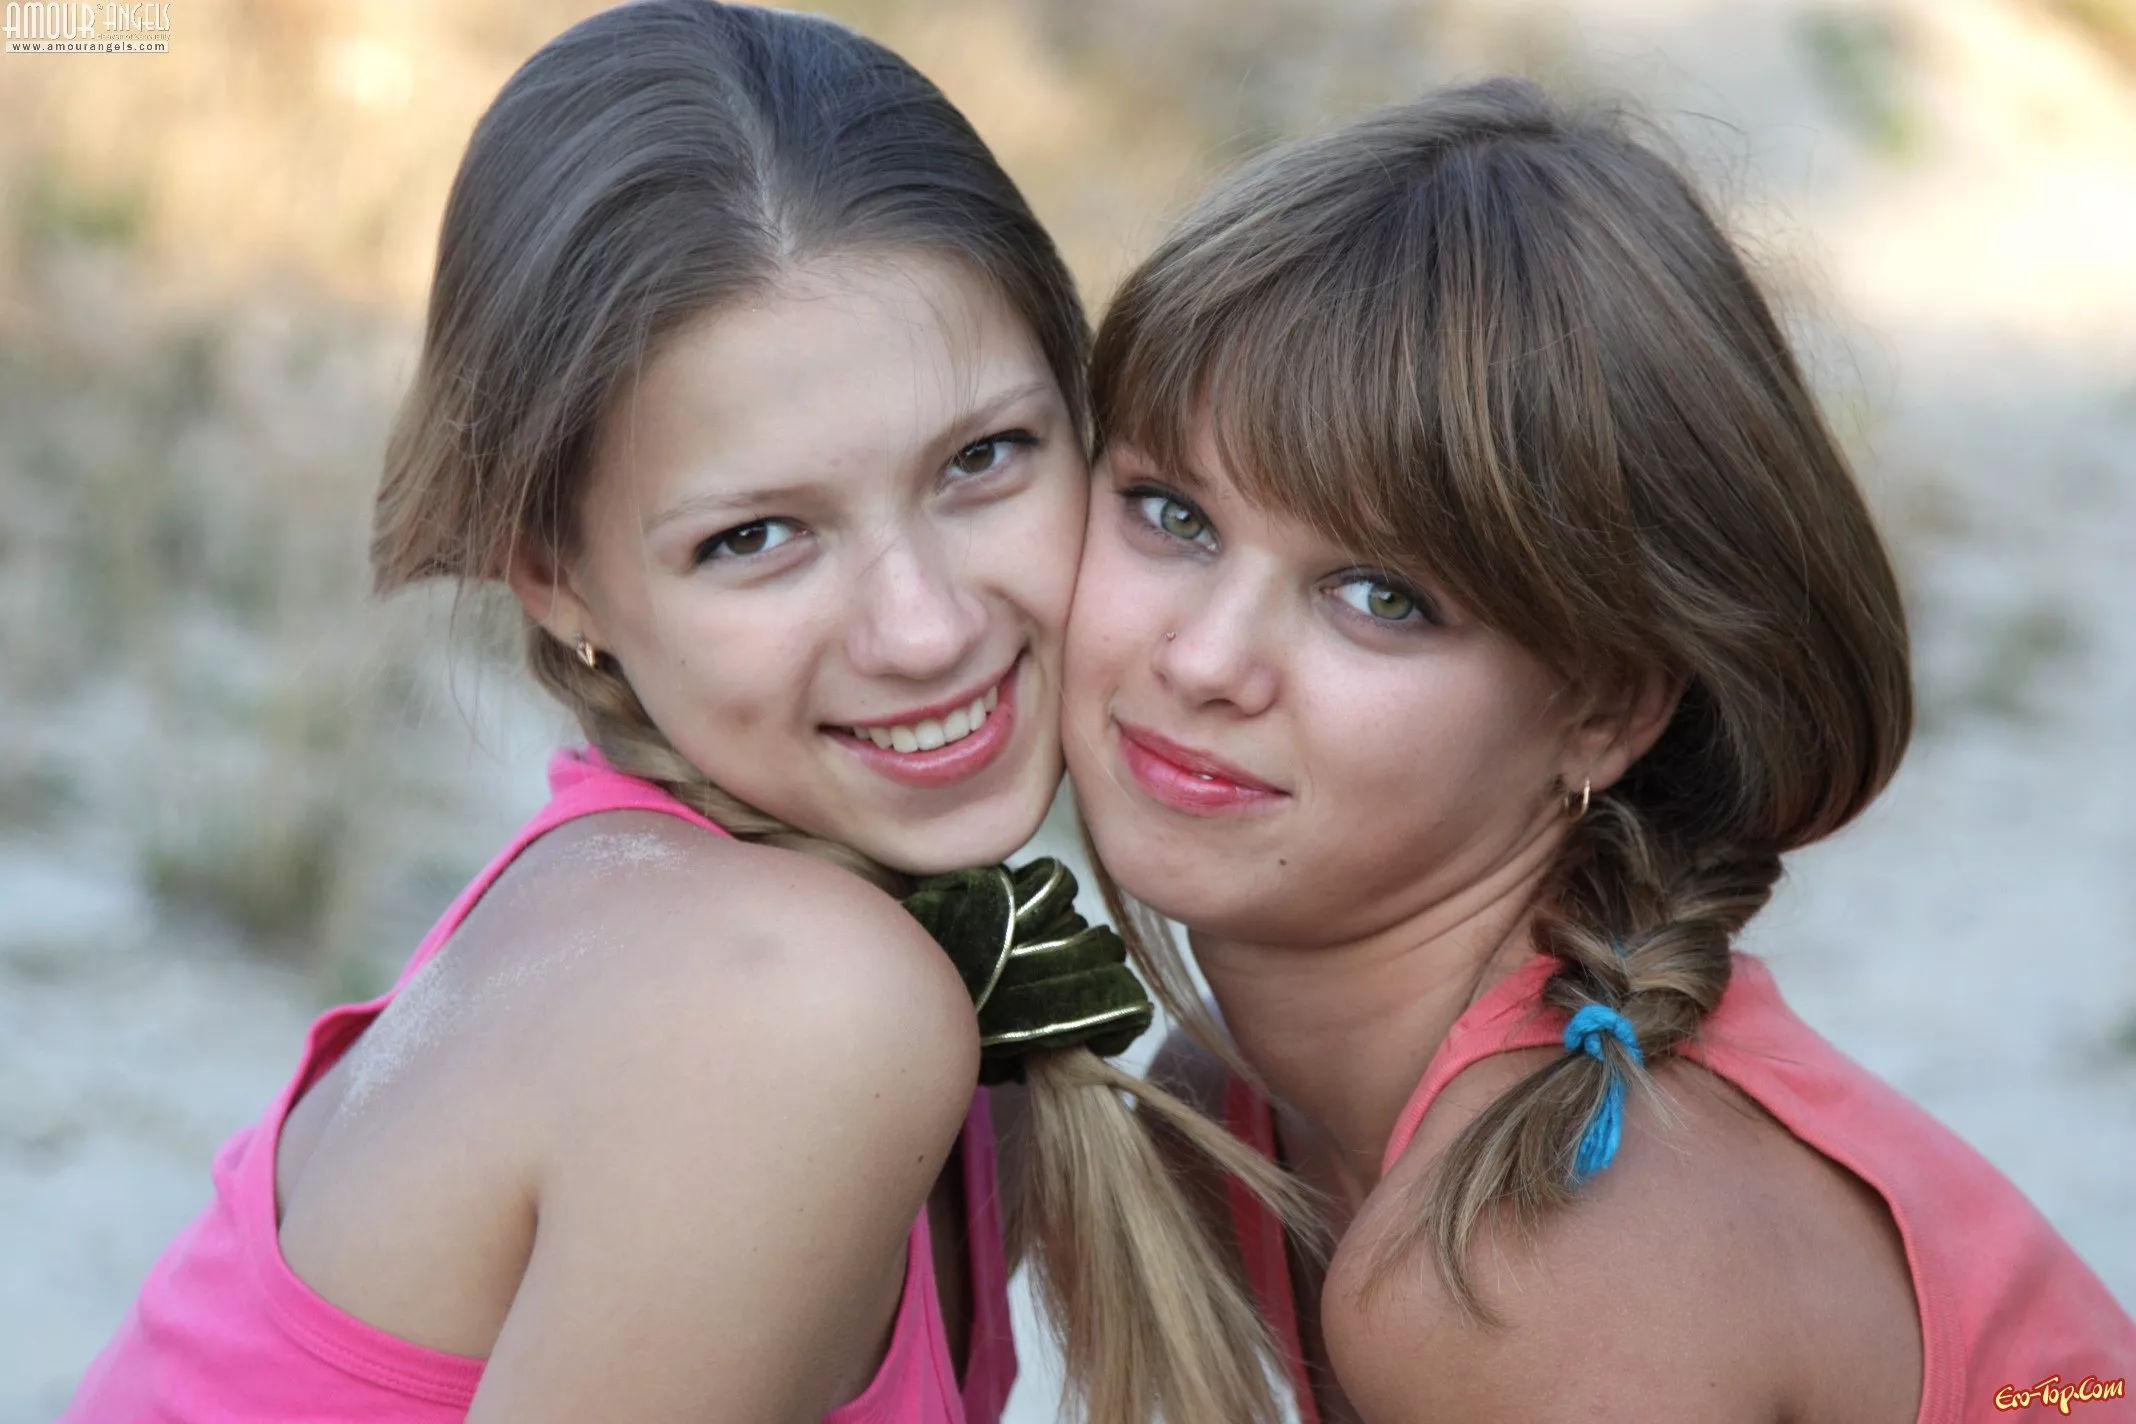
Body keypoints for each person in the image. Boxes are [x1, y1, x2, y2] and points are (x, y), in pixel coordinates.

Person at [62, 4, 1297, 1421]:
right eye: (755, 537)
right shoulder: (780, 1006)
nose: (926, 627)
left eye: (984, 458)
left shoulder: (774, 927)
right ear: (557, 578)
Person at [1064, 77, 2136, 1424]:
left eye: (1382, 597)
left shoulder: (1535, 1268)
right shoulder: (1223, 1114)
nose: (1205, 660)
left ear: (1604, 710)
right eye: (1172, 513)